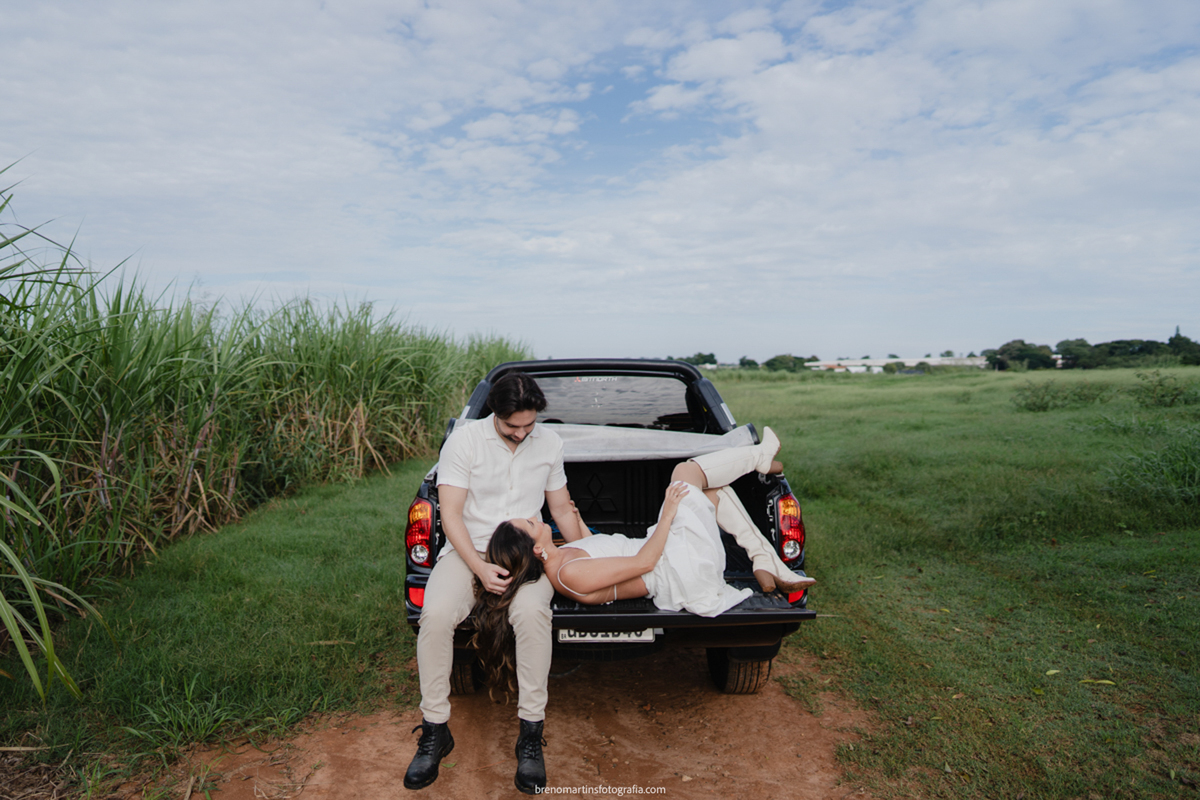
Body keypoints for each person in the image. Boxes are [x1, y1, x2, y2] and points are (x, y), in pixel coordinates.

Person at [471, 428, 816, 691]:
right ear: (535, 549)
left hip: (670, 558)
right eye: (530, 523)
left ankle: (763, 559)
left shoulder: (561, 558)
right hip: (679, 571)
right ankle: (758, 459)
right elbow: (643, 564)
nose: (534, 516)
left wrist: (578, 522)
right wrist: (667, 512)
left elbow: (602, 552)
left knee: (711, 492)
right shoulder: (567, 575)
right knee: (684, 474)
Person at [404, 372, 584, 794]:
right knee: (435, 616)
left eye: (529, 425)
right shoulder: (464, 442)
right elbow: (450, 514)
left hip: (525, 557)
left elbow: (561, 509)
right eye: (511, 426)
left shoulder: (549, 443)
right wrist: (479, 568)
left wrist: (588, 554)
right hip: (468, 552)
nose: (521, 433)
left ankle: (530, 734)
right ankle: (435, 729)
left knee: (532, 614)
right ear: (494, 414)